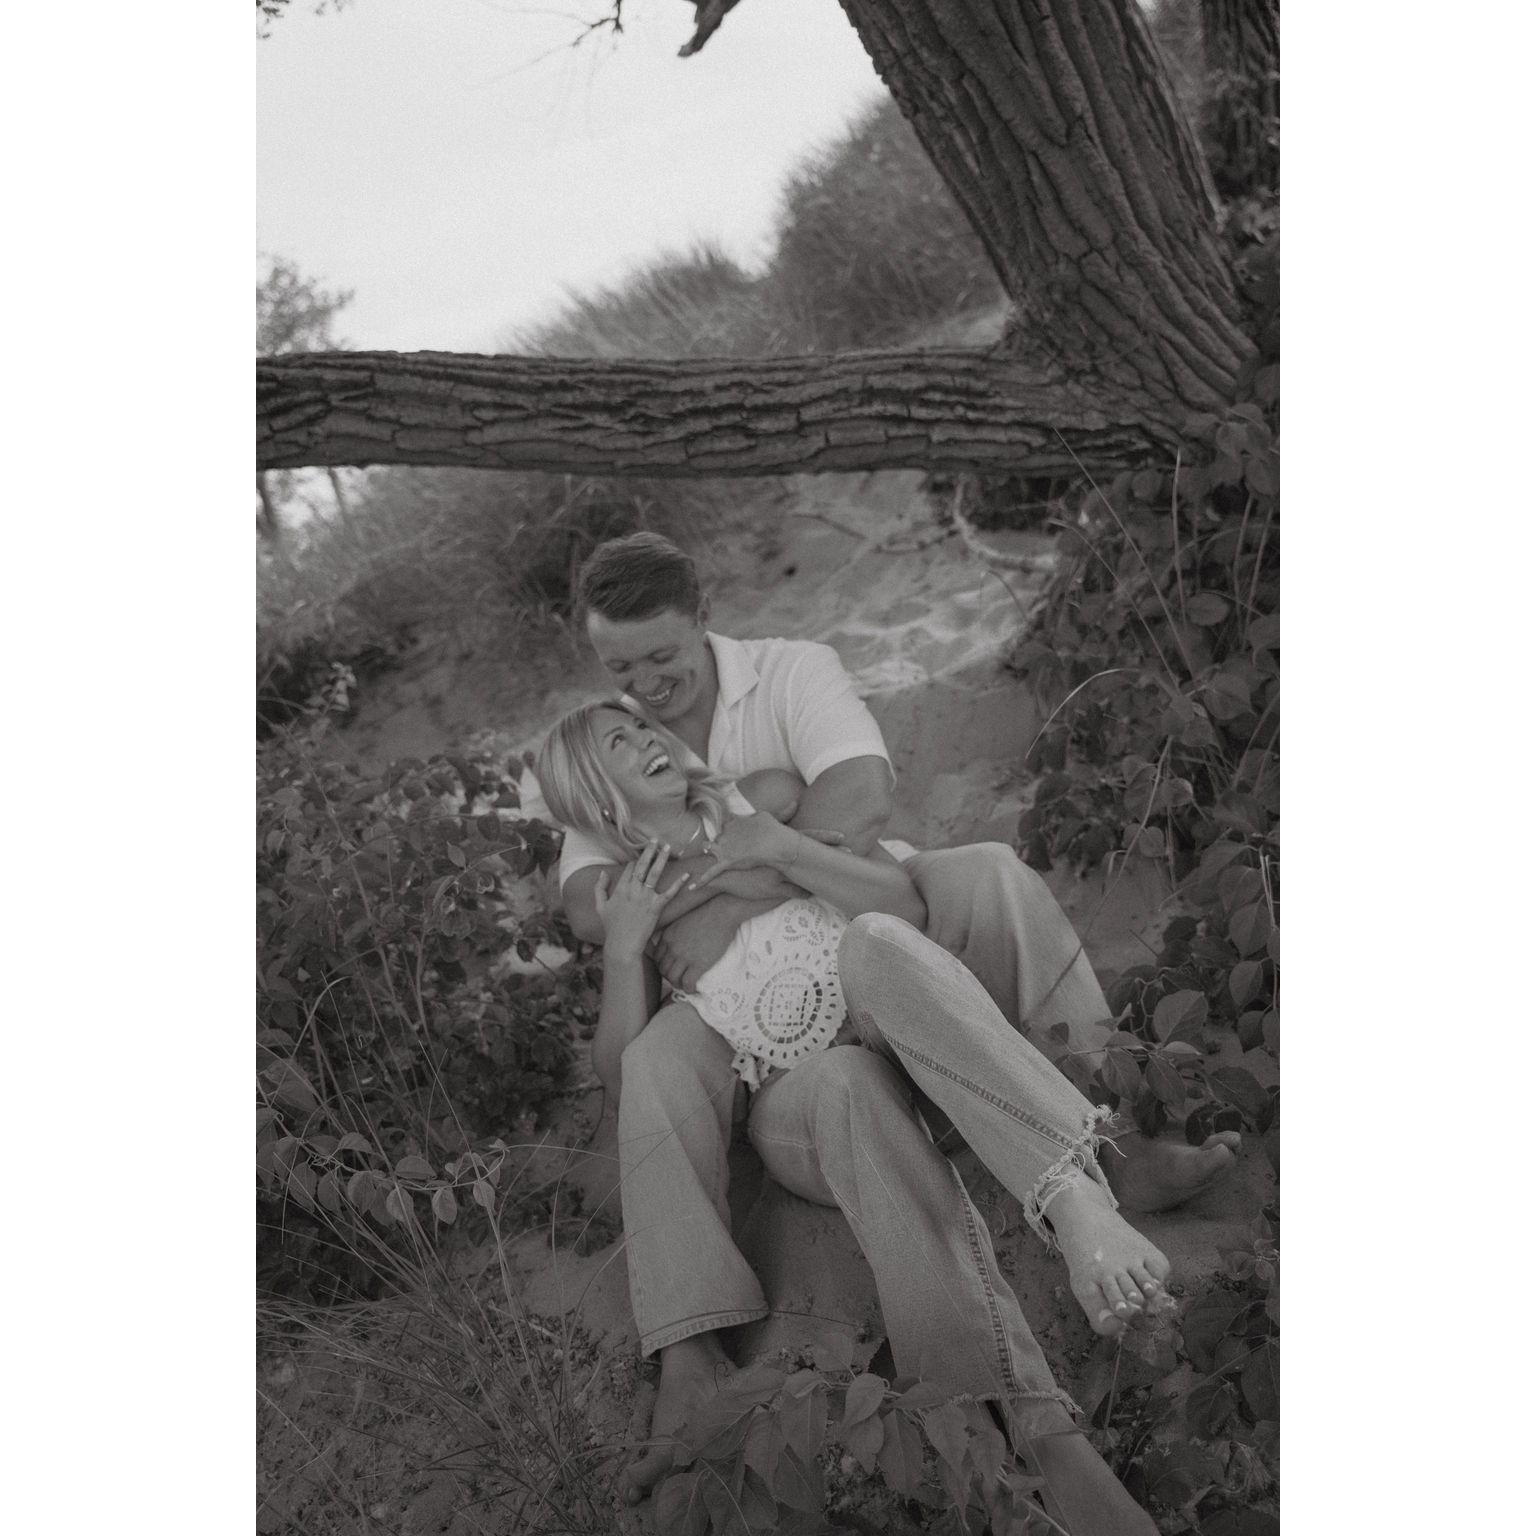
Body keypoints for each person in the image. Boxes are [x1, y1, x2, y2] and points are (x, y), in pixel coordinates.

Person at [525, 531, 1240, 1505]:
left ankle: (1096, 1169)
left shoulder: (777, 707)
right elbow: (592, 911)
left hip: (887, 973)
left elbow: (859, 799)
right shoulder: (613, 817)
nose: (645, 697)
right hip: (798, 1081)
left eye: (661, 659)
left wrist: (735, 882)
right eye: (621, 676)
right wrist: (638, 932)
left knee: (947, 893)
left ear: (701, 620)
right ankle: (1023, 1424)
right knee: (828, 1082)